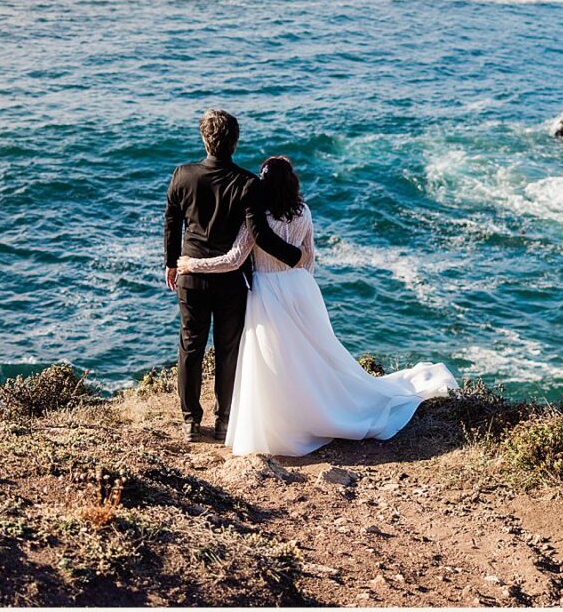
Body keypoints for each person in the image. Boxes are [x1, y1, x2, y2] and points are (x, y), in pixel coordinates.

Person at [177, 155, 456, 456]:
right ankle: (316, 407)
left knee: (275, 361)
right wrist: (301, 288)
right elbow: (308, 256)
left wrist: (192, 264)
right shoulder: (304, 212)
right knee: (312, 356)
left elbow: (233, 260)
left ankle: (287, 420)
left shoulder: (257, 217)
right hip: (301, 287)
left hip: (268, 291)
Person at [163, 109, 302, 442]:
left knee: (191, 347)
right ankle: (225, 419)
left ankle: (190, 421)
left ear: (204, 139)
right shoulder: (248, 183)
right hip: (232, 282)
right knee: (228, 350)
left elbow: (172, 223)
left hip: (191, 275)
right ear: (235, 143)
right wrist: (295, 256)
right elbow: (260, 234)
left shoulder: (182, 175)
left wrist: (171, 263)